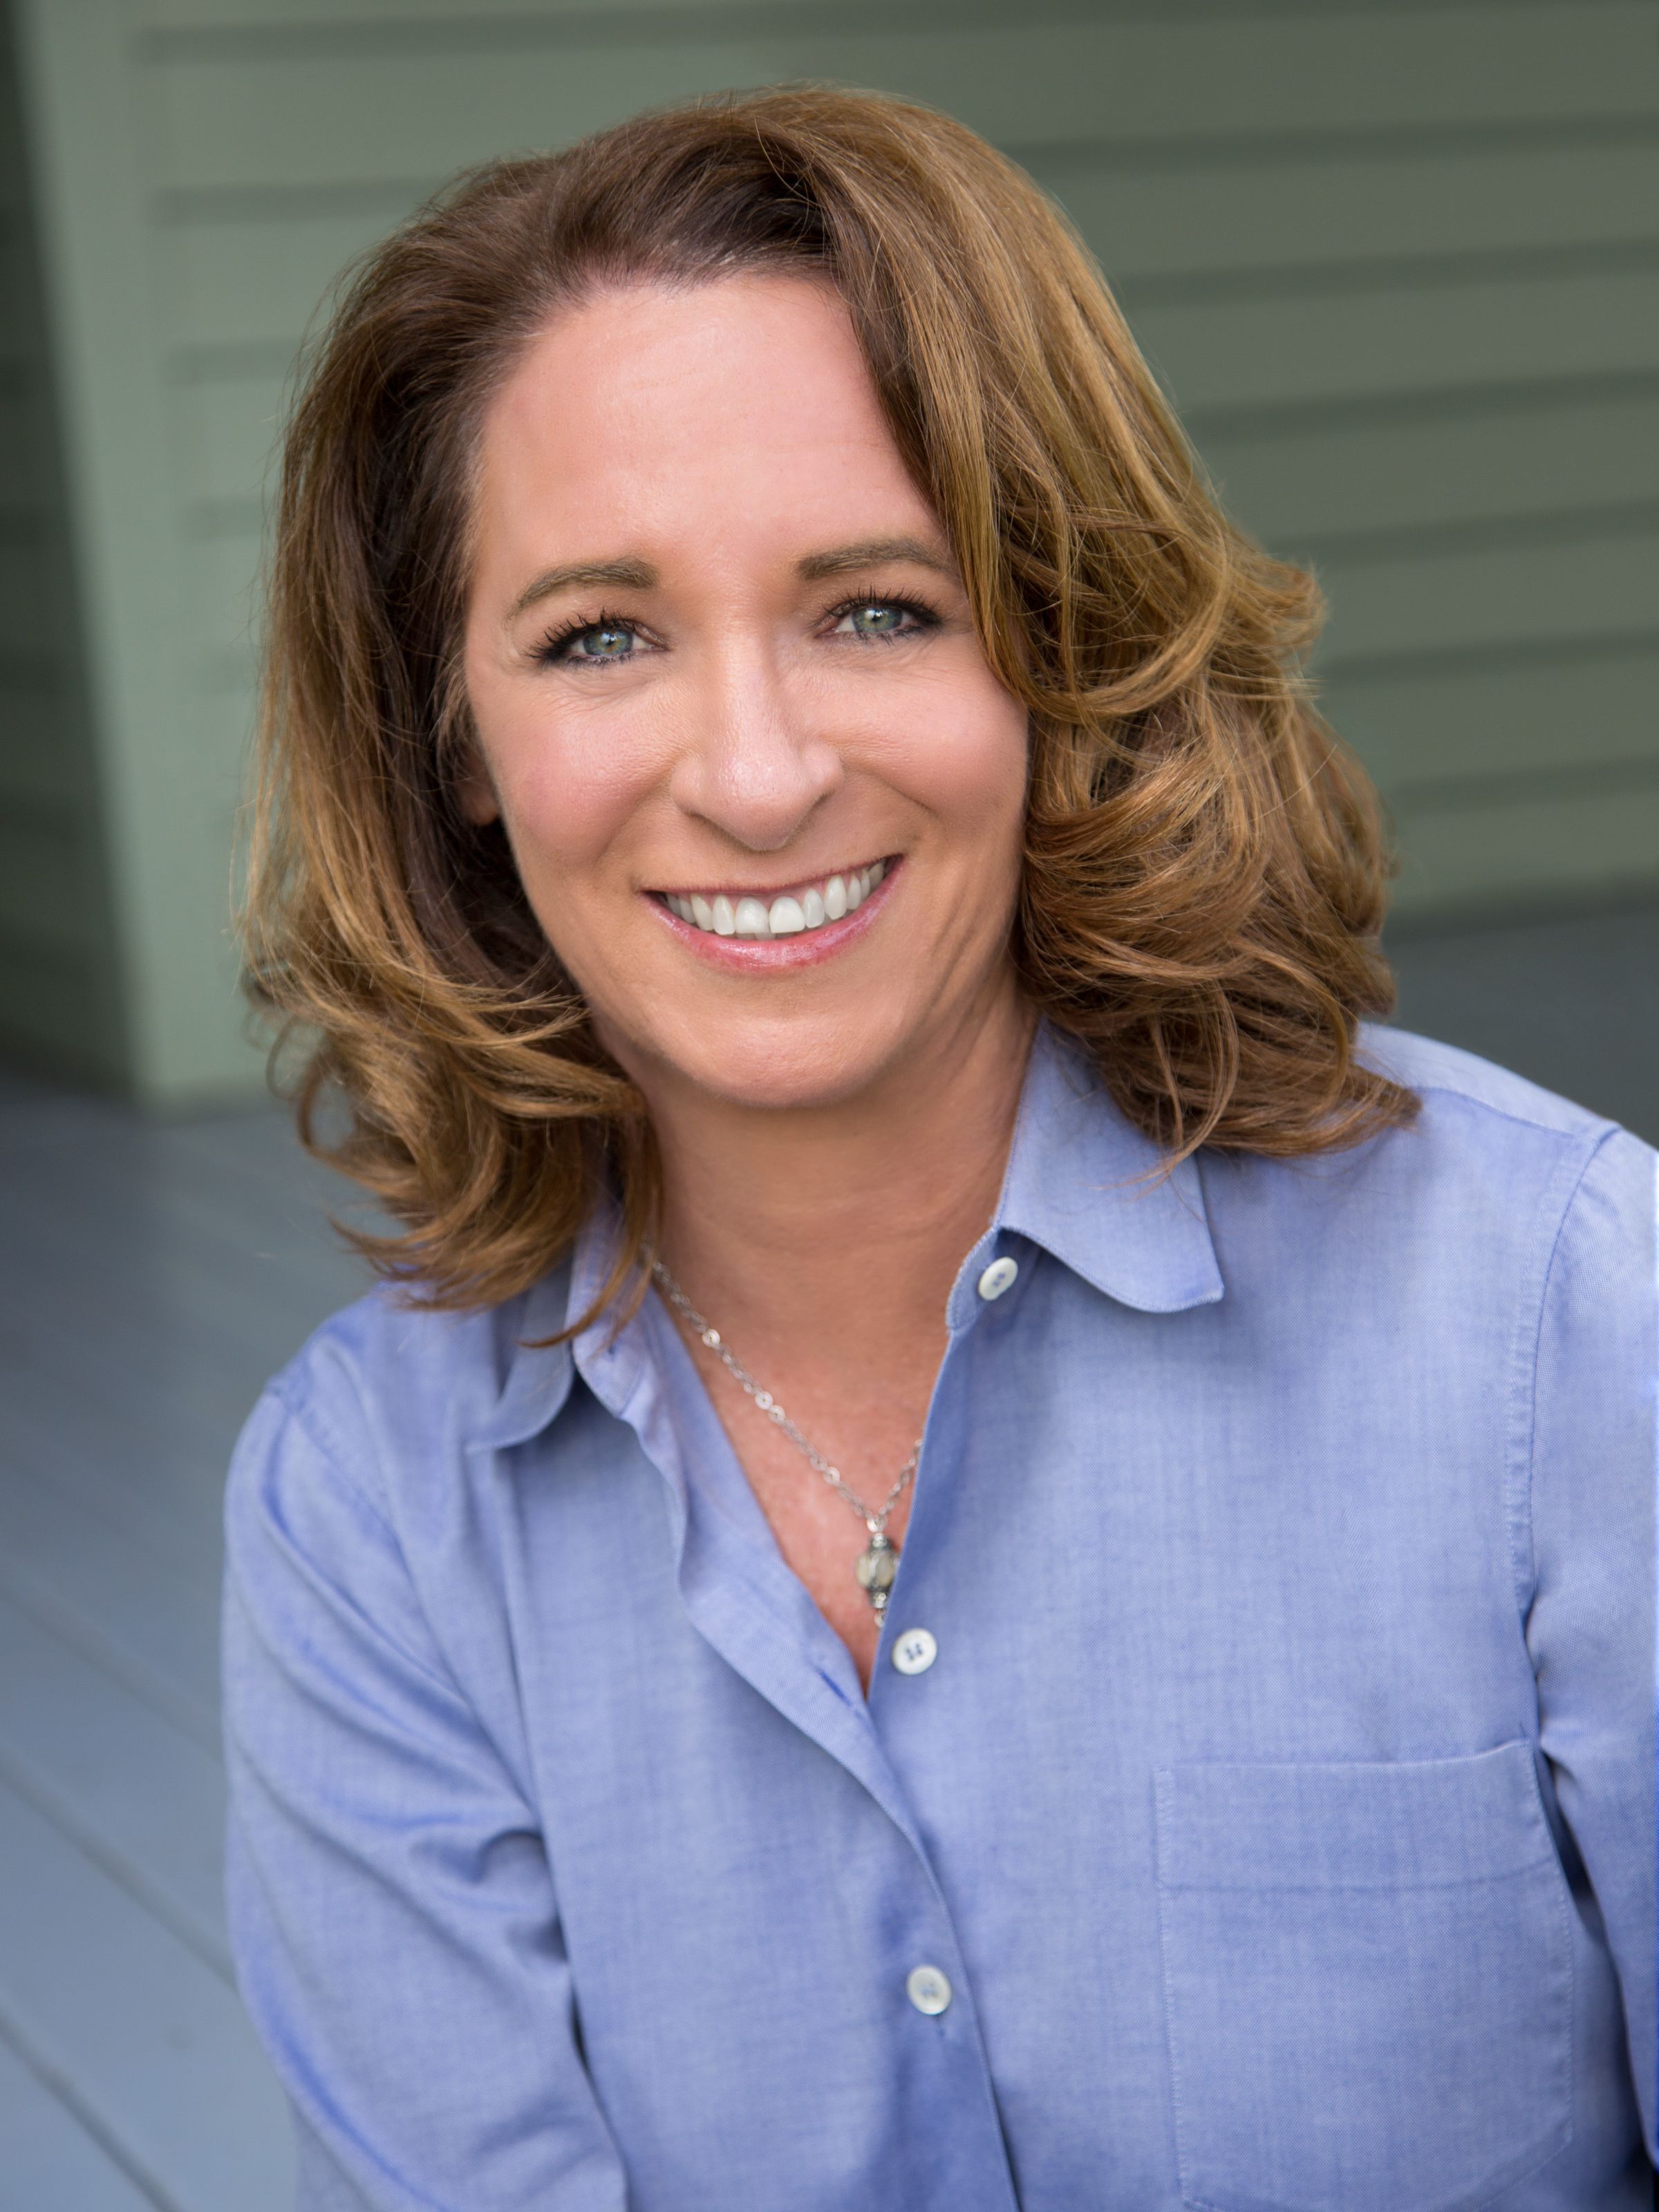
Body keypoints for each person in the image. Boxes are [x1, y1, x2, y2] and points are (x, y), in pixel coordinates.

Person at [225, 86, 1656, 2212]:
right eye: (600, 634)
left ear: (1064, 650)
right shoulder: (375, 1519)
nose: (757, 770)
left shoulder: (1568, 1318)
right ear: (454, 748)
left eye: (877, 606)